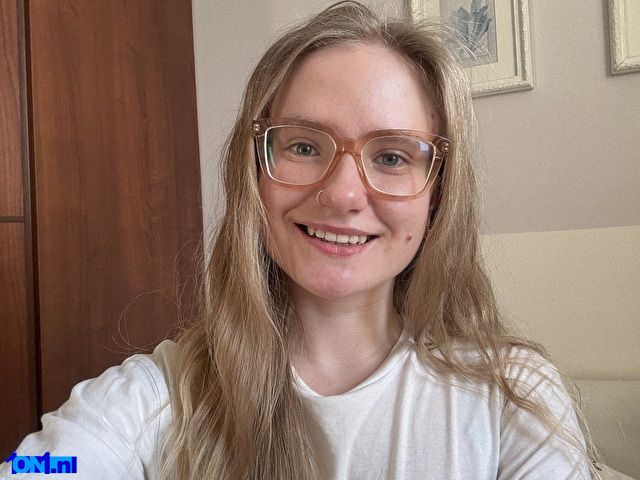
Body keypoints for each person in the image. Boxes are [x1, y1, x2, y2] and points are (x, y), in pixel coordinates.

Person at [1, 2, 599, 479]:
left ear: (437, 192)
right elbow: (39, 467)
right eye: (305, 146)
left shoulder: (514, 400)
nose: (342, 194)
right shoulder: (155, 397)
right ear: (253, 171)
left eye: (392, 156)